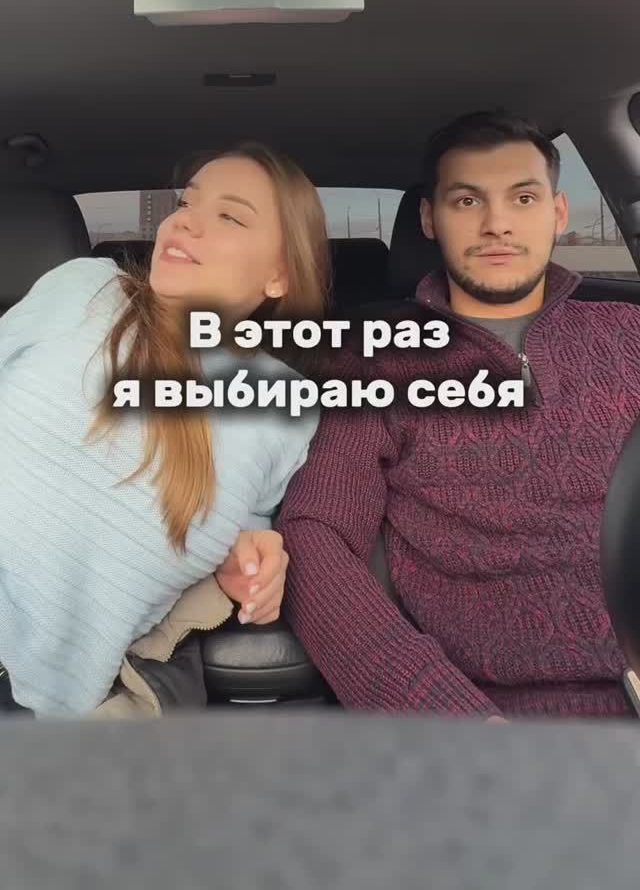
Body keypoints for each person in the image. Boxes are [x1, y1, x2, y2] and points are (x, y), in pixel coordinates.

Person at [278, 110, 640, 720]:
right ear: (430, 219)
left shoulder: (630, 334)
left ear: (557, 212)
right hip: (482, 719)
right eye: (467, 200)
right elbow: (316, 534)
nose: (497, 224)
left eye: (522, 198)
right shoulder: (374, 365)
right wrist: (445, 717)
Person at [0, 141, 329, 717]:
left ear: (279, 275)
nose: (184, 222)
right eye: (186, 203)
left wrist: (252, 560)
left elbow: (243, 536)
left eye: (229, 217)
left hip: (56, 715)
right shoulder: (86, 289)